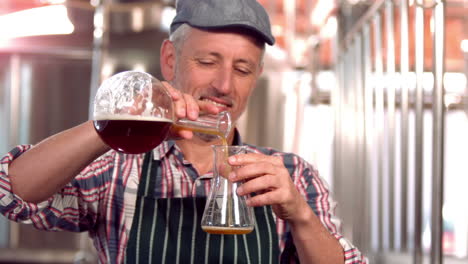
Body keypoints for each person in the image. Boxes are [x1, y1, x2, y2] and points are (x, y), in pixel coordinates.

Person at [0, 0, 367, 263]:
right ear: (170, 60)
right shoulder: (119, 168)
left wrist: (299, 214)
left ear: (256, 78)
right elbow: (11, 193)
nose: (224, 84)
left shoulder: (291, 175)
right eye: (207, 62)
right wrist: (114, 126)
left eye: (242, 69)